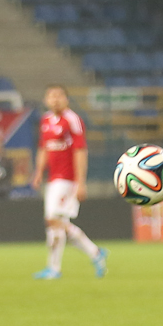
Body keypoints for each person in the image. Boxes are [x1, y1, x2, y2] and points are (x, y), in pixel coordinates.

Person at [31, 85, 108, 279]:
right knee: (57, 223)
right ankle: (94, 253)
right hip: (53, 178)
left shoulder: (72, 120)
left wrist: (81, 182)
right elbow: (43, 147)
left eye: (59, 96)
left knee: (53, 220)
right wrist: (39, 171)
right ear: (46, 100)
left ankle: (56, 268)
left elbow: (80, 151)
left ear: (66, 99)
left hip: (67, 179)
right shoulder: (46, 120)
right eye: (51, 96)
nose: (55, 99)